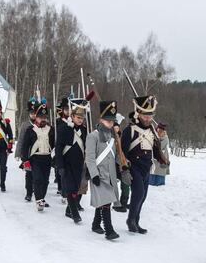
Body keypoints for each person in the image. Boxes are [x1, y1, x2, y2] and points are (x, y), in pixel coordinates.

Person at [120, 95, 168, 234]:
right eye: (145, 115)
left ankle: (136, 220)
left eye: (150, 115)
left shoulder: (152, 130)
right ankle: (130, 220)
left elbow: (156, 149)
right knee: (138, 193)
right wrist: (124, 170)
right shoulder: (130, 130)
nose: (148, 118)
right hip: (133, 167)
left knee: (143, 195)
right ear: (138, 114)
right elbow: (122, 152)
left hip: (147, 167)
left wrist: (163, 160)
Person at [85, 101, 121, 240]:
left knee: (105, 200)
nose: (110, 124)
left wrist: (122, 167)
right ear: (101, 120)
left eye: (112, 121)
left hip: (110, 176)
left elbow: (115, 157)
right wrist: (94, 174)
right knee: (106, 201)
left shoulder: (113, 137)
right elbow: (90, 158)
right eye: (107, 121)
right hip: (98, 175)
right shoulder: (92, 136)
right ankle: (109, 230)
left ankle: (95, 224)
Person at [55, 98, 89, 224]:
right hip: (67, 163)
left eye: (82, 118)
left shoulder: (85, 130)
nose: (80, 120)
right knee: (70, 188)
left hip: (80, 164)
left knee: (78, 188)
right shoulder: (64, 129)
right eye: (78, 117)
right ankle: (75, 213)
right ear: (72, 116)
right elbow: (58, 148)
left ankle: (69, 209)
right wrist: (60, 166)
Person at [21, 101, 54, 211]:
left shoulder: (51, 129)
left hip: (47, 158)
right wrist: (25, 160)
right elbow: (25, 146)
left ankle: (42, 198)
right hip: (35, 158)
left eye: (44, 117)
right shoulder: (30, 130)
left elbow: (53, 143)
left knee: (45, 181)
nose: (43, 119)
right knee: (38, 179)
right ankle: (39, 199)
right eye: (40, 117)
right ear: (36, 118)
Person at [16, 98, 39, 201]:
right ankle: (29, 192)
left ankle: (37, 191)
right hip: (28, 153)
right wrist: (18, 153)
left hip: (39, 153)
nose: (33, 115)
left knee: (37, 174)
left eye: (35, 113)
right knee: (29, 174)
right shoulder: (25, 125)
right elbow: (21, 140)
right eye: (32, 113)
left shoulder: (41, 124)